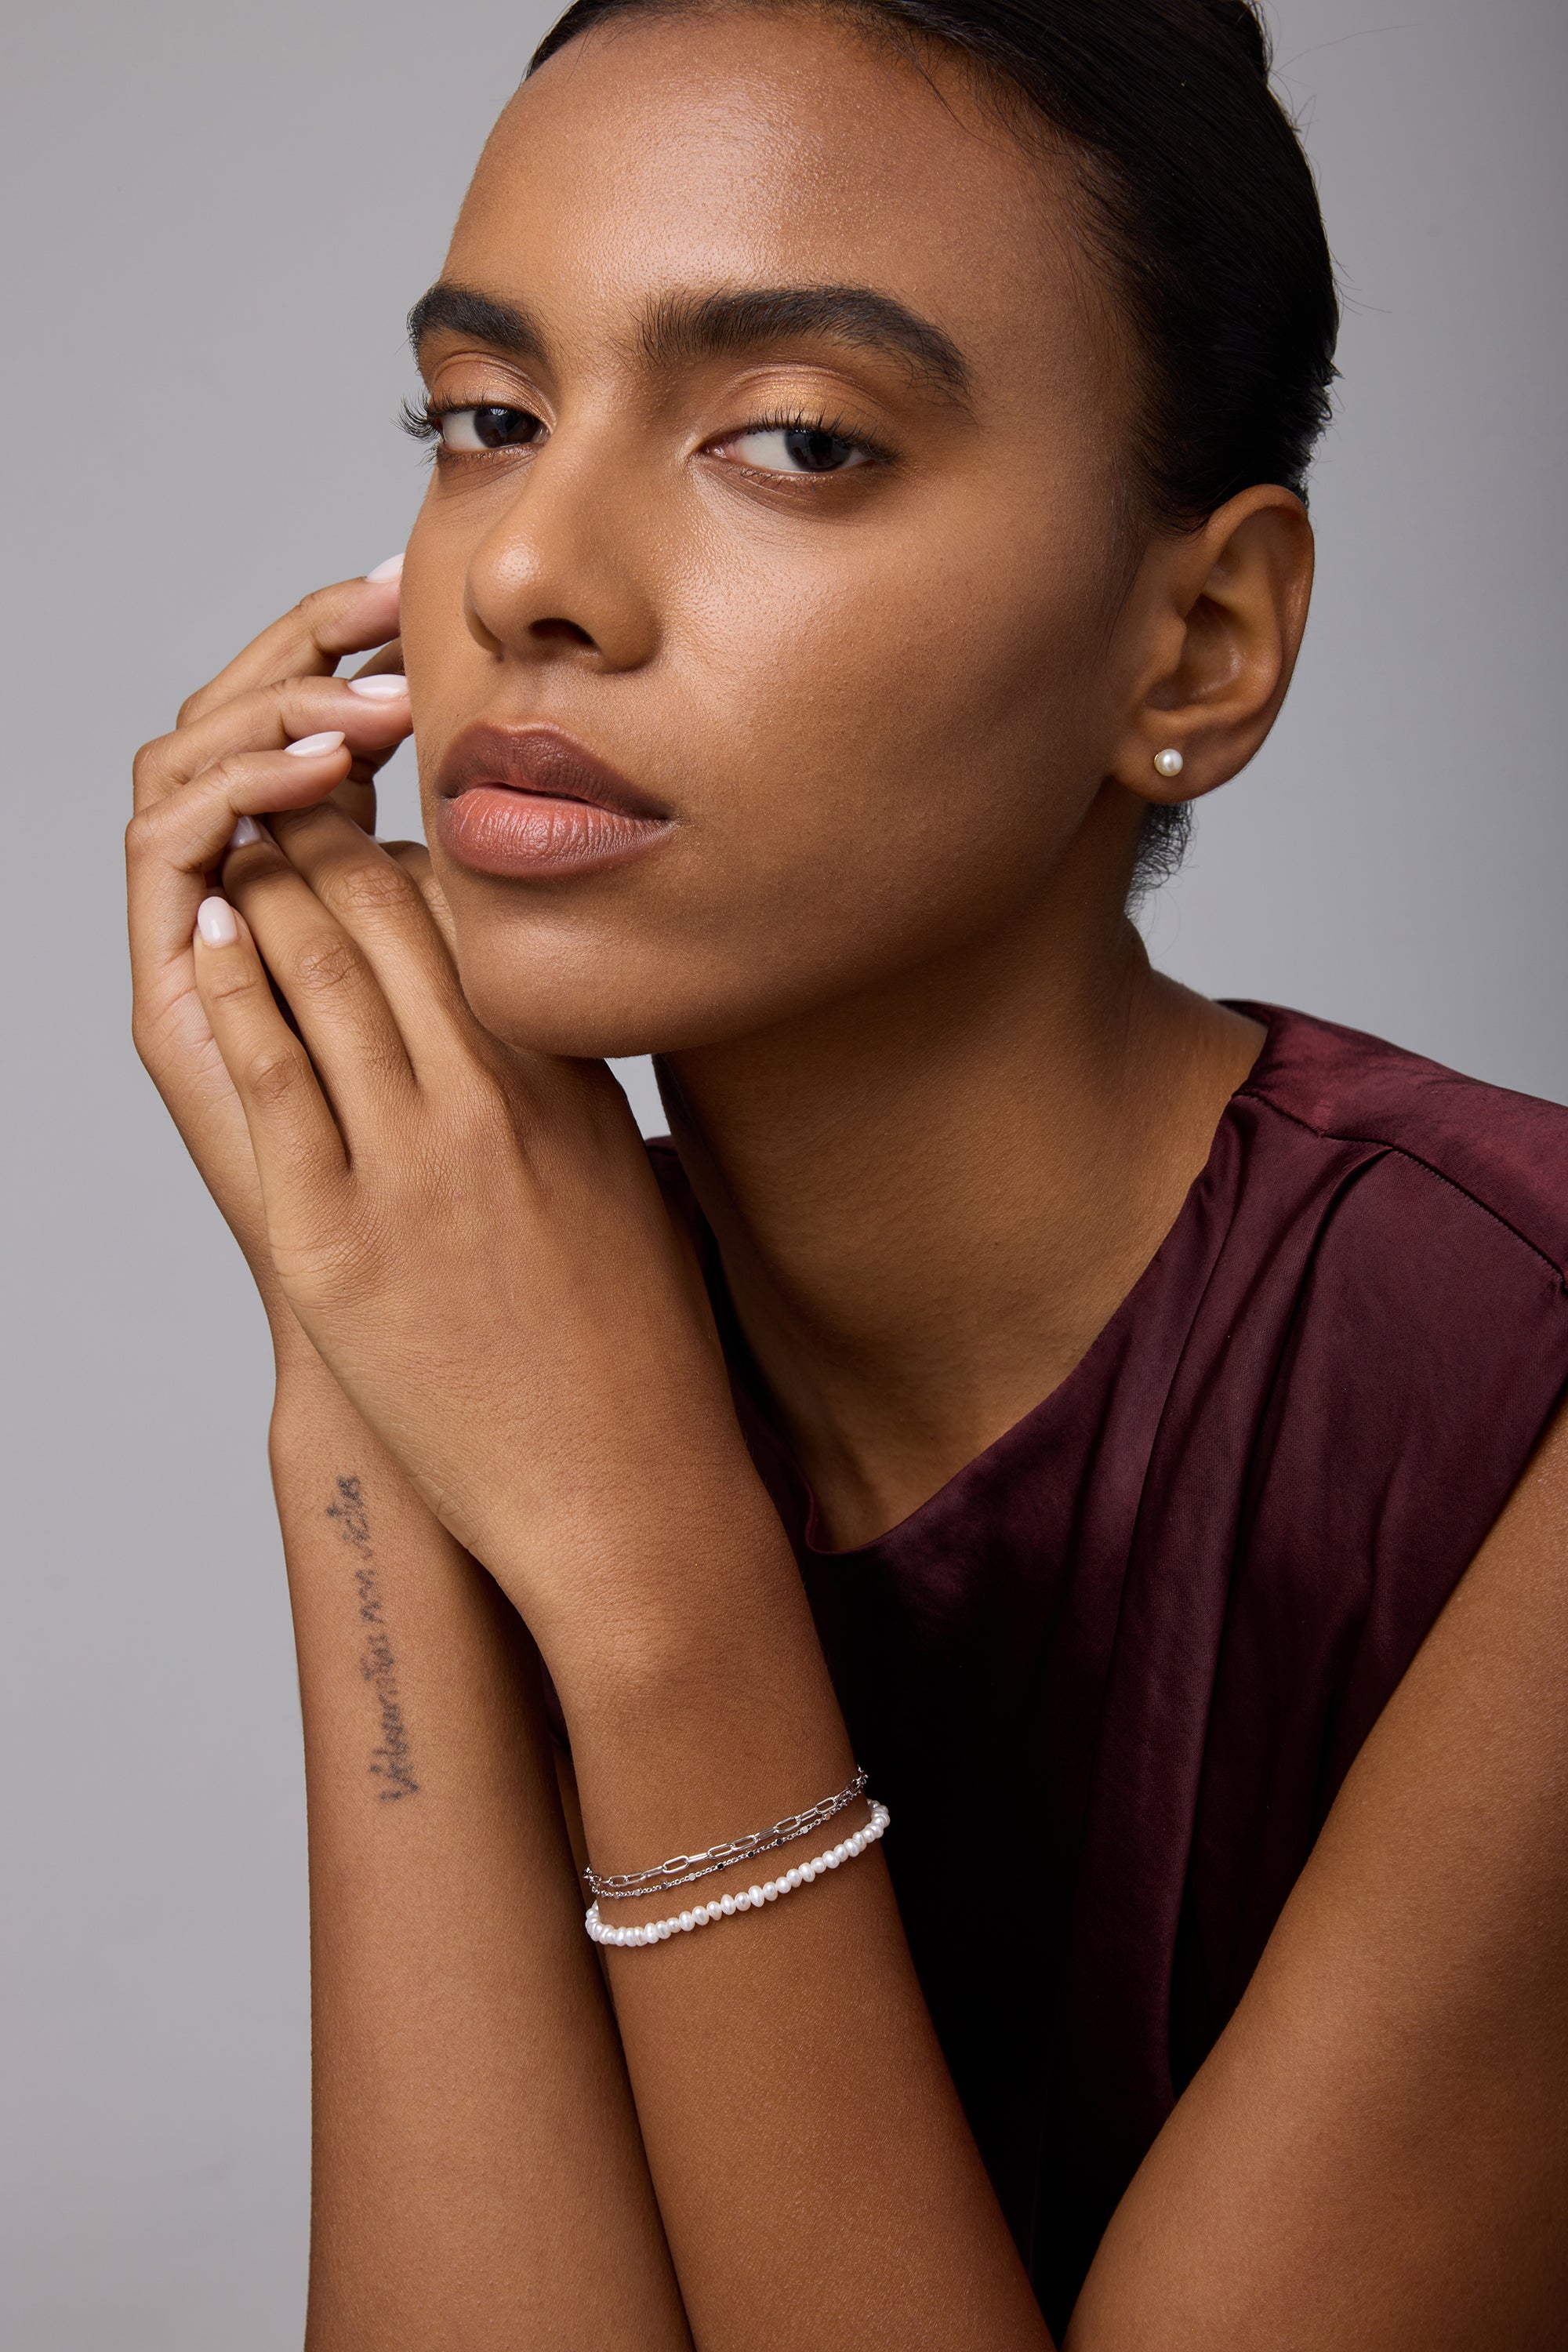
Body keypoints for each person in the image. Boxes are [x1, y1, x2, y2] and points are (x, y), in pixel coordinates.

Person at [125, 1, 1568, 2343]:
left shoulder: (1516, 1403)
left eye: (792, 439)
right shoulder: (509, 1309)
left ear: (1196, 639)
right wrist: (351, 1355)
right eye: (485, 420)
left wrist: (655, 1578)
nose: (533, 579)